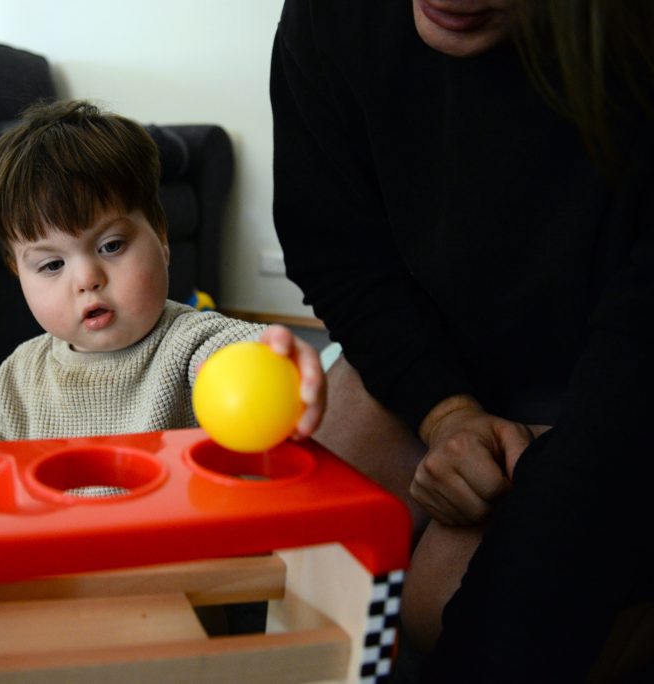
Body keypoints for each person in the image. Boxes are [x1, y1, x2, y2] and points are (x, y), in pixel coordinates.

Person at [271, 0, 654, 681]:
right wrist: (448, 413)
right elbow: (338, 254)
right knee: (306, 535)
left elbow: (628, 389)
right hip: (448, 353)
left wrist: (541, 468)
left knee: (439, 601)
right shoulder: (331, 20)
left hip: (608, 385)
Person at [0, 99, 325, 513]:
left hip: (173, 566)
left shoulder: (189, 343)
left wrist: (276, 359)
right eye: (52, 264)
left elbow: (236, 351)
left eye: (111, 246)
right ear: (19, 274)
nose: (87, 279)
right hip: (59, 569)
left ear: (161, 238)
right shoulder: (17, 380)